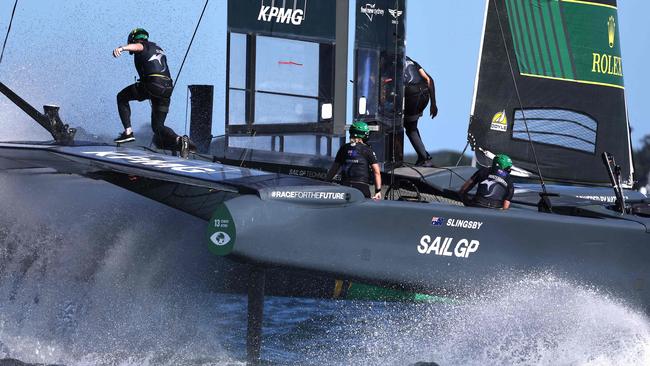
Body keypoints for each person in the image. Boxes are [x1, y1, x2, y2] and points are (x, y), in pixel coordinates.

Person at [112, 28, 192, 152]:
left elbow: (138, 47)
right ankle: (180, 140)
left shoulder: (143, 45)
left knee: (122, 97)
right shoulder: (158, 48)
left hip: (153, 85)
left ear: (133, 39)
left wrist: (121, 48)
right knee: (158, 127)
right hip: (167, 89)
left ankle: (128, 133)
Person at [326, 121, 382, 200]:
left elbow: (334, 169)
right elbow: (376, 172)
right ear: (364, 135)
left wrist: (326, 182)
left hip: (345, 186)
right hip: (362, 188)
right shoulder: (367, 149)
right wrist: (378, 191)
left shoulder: (343, 148)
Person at [403, 56, 438, 167]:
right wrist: (433, 104)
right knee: (412, 126)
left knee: (410, 129)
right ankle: (422, 155)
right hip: (424, 94)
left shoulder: (389, 62)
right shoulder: (410, 60)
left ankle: (424, 158)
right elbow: (429, 79)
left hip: (412, 96)